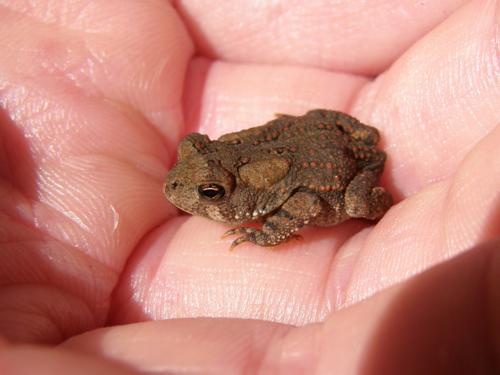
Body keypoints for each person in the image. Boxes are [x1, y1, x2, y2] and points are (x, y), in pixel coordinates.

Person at [1, 1, 499, 373]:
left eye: (209, 193)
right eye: (191, 154)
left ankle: (373, 201)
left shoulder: (273, 193)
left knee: (357, 203)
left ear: (233, 193)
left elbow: (304, 200)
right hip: (317, 132)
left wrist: (269, 232)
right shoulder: (225, 161)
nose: (182, 188)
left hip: (342, 175)